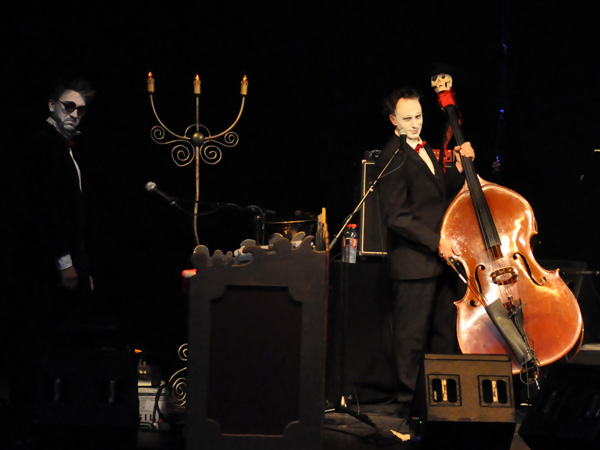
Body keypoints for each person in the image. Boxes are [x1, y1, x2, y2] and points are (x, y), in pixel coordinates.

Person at [375, 87, 475, 415]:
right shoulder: (392, 156)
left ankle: (439, 401)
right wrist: (435, 241)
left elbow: (434, 194)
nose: (415, 123)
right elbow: (396, 216)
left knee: (445, 332)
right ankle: (407, 407)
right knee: (411, 337)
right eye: (407, 118)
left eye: (418, 116)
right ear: (393, 120)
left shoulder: (425, 150)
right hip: (415, 262)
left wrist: (458, 172)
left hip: (440, 261)